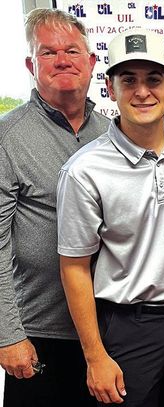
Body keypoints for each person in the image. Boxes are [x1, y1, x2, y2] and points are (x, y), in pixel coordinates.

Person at [56, 28, 164, 406]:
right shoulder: (84, 171)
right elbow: (74, 267)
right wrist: (95, 356)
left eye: (153, 79)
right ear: (110, 88)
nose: (142, 92)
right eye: (129, 80)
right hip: (128, 327)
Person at [0, 8, 108, 407]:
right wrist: (8, 335)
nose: (63, 60)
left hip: (111, 332)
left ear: (92, 62)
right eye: (48, 53)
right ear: (31, 64)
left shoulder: (114, 135)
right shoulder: (8, 139)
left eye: (73, 51)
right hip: (41, 335)